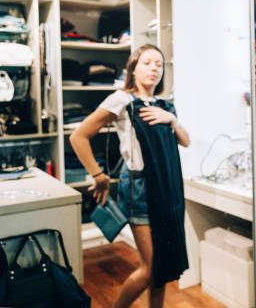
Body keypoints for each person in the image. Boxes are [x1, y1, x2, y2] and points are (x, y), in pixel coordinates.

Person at [70, 44, 190, 308]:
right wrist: (98, 175)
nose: (154, 69)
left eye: (158, 64)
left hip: (168, 188)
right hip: (140, 188)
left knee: (163, 267)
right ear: (133, 68)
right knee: (149, 268)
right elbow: (78, 136)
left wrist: (172, 119)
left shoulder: (165, 104)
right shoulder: (120, 99)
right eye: (147, 63)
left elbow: (185, 141)